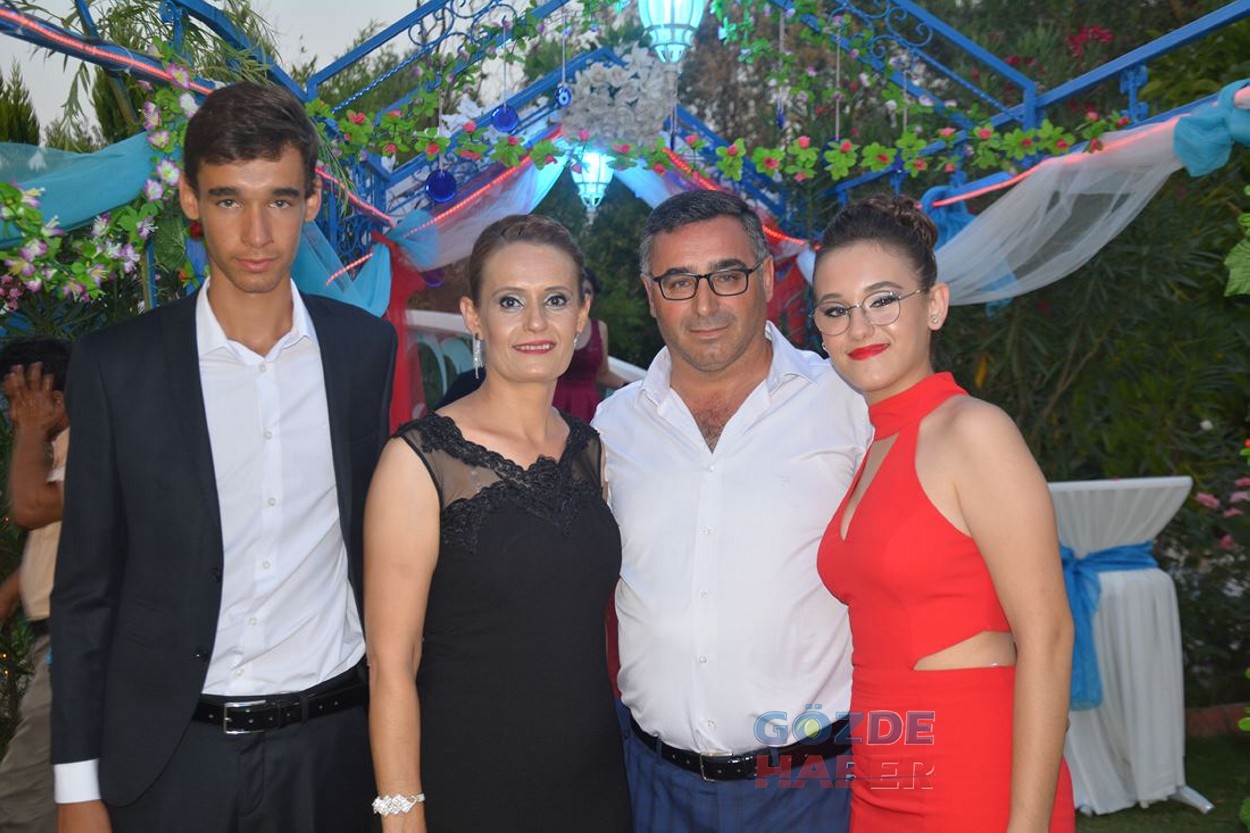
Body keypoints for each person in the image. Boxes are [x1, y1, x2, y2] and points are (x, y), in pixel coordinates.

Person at [50, 81, 396, 832]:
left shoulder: (364, 351)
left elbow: (378, 542)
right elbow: (84, 593)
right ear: (190, 200)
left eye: (280, 199)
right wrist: (75, 787)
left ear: (311, 202)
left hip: (333, 751)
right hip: (171, 759)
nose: (257, 232)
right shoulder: (117, 366)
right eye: (230, 199)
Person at [592, 190, 871, 832]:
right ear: (651, 294)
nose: (705, 304)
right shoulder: (611, 429)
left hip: (810, 789)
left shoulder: (847, 404)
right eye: (679, 282)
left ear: (766, 278)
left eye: (727, 275)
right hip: (651, 787)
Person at [812, 195, 1075, 831]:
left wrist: (1027, 825)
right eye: (837, 310)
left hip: (970, 764)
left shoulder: (973, 432)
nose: (860, 328)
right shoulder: (874, 445)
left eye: (882, 300)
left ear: (934, 305)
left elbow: (1048, 636)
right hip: (880, 767)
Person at [366, 214, 632, 832]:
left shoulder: (591, 450)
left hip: (592, 782)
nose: (536, 323)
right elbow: (391, 665)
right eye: (511, 301)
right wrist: (402, 817)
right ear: (474, 316)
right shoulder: (418, 461)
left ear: (581, 315)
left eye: (555, 300)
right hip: (472, 785)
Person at [0, 338, 71, 833]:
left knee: (23, 799)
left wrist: (30, 429)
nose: (11, 414)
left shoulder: (95, 443)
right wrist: (11, 591)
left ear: (55, 396)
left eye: (16, 399)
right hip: (57, 637)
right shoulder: (61, 449)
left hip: (73, 641)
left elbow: (31, 508)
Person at [552, 269, 627, 420]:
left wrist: (633, 387)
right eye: (578, 290)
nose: (583, 296)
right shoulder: (551, 325)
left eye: (587, 291)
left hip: (587, 407)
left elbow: (603, 374)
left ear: (593, 297)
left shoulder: (600, 328)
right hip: (553, 403)